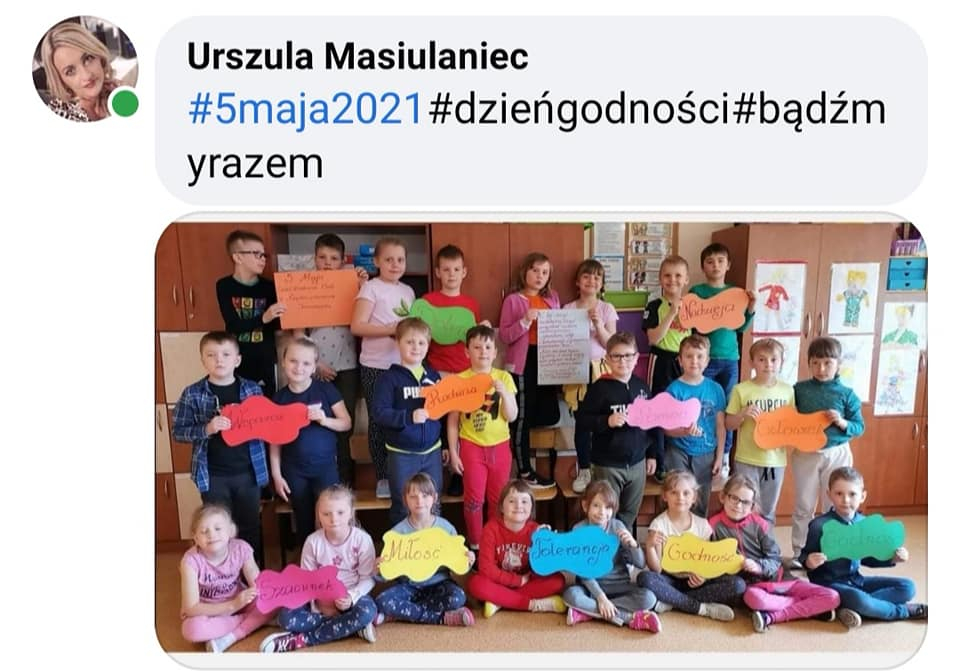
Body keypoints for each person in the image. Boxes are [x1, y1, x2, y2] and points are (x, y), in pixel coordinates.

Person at [172, 331, 269, 566]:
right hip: (213, 476)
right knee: (218, 529)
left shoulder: (253, 390)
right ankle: (225, 577)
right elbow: (178, 431)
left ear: (237, 360)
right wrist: (207, 428)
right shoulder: (192, 393)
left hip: (249, 473)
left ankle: (254, 577)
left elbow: (267, 427)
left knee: (250, 526)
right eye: (211, 355)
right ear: (202, 360)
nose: (219, 360)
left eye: (226, 354)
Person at [709, 475, 842, 633]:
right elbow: (713, 563)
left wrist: (759, 566)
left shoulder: (761, 524)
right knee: (755, 600)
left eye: (745, 502)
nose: (738, 505)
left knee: (832, 597)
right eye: (734, 498)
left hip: (780, 579)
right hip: (753, 588)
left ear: (752, 505)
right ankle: (806, 607)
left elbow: (774, 558)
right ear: (723, 497)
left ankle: (772, 616)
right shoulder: (713, 525)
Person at [799, 467, 927, 626]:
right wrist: (809, 562)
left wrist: (893, 558)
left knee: (908, 587)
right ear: (829, 494)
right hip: (829, 585)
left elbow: (867, 557)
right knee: (860, 599)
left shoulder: (864, 523)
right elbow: (804, 556)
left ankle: (853, 607)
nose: (846, 500)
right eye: (839, 494)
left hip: (856, 581)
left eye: (852, 494)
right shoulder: (819, 525)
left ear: (862, 496)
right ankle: (903, 611)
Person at [260, 485, 379, 652]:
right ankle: (351, 627)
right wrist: (319, 604)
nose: (333, 519)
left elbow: (368, 578)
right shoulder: (313, 541)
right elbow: (306, 581)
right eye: (326, 514)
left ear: (351, 512)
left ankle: (303, 640)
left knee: (368, 612)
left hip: (351, 600)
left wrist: (351, 597)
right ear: (319, 515)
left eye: (340, 512)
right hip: (319, 602)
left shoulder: (362, 540)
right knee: (286, 617)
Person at [298, 233, 368, 486]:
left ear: (343, 261)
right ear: (314, 259)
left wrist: (362, 283)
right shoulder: (304, 288)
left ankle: (346, 485)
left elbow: (367, 312)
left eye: (334, 258)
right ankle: (322, 483)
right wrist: (314, 364)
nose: (328, 263)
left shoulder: (352, 284)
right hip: (313, 369)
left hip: (347, 367)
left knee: (344, 426)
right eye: (322, 257)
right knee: (315, 425)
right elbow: (298, 334)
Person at [269, 337, 352, 549]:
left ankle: (334, 559)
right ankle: (308, 562)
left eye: (306, 363)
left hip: (325, 468)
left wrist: (324, 420)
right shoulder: (279, 399)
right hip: (294, 470)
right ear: (284, 362)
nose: (299, 367)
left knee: (331, 517)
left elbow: (346, 423)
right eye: (293, 361)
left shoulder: (326, 390)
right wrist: (277, 476)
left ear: (314, 367)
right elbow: (274, 441)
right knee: (303, 518)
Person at [789, 336, 865, 567]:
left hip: (837, 452)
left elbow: (859, 426)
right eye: (815, 363)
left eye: (827, 363)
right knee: (804, 504)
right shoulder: (799, 390)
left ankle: (833, 550)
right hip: (806, 453)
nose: (821, 369)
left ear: (838, 364)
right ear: (809, 363)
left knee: (835, 504)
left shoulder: (847, 394)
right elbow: (788, 418)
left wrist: (842, 422)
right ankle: (801, 553)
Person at [351, 237, 416, 500]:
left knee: (403, 420)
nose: (395, 264)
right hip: (376, 366)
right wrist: (391, 330)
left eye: (400, 259)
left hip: (404, 366)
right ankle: (383, 477)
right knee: (379, 422)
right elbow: (357, 326)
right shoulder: (370, 288)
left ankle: (404, 476)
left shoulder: (408, 291)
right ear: (377, 261)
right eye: (389, 259)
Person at [574, 332, 658, 529]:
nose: (623, 361)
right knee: (604, 516)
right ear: (607, 359)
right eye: (617, 356)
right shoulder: (599, 389)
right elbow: (583, 421)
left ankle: (622, 547)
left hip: (637, 464)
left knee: (628, 516)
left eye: (628, 356)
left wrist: (653, 455)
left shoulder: (642, 387)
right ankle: (603, 547)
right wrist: (606, 421)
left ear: (636, 358)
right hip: (607, 465)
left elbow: (653, 423)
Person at [421, 244, 485, 497]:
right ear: (437, 272)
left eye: (456, 269)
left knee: (461, 426)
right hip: (436, 371)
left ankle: (459, 474)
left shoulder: (470, 304)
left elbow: (474, 341)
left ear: (464, 272)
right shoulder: (427, 302)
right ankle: (436, 476)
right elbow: (420, 338)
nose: (451, 274)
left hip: (464, 374)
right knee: (436, 425)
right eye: (446, 269)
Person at [446, 324, 519, 549]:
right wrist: (454, 453)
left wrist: (505, 394)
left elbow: (512, 416)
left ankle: (495, 543)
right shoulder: (459, 380)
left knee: (498, 499)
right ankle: (476, 544)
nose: (483, 352)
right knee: (474, 500)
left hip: (500, 447)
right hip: (472, 447)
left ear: (495, 352)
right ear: (467, 352)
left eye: (488, 347)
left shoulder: (504, 377)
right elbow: (452, 421)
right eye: (477, 347)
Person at [638, 470, 745, 621]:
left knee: (738, 585)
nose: (680, 498)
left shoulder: (702, 525)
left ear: (694, 497)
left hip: (696, 583)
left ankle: (672, 601)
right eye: (674, 492)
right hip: (670, 581)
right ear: (665, 496)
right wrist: (649, 547)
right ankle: (701, 608)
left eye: (686, 493)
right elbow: (657, 569)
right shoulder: (659, 525)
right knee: (645, 578)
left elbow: (708, 563)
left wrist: (703, 577)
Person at [689, 243, 756, 476]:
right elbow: (691, 323)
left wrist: (751, 307)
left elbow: (742, 327)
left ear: (728, 265)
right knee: (702, 405)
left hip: (729, 359)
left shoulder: (736, 293)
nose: (715, 266)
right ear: (702, 267)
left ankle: (725, 455)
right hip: (703, 360)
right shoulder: (697, 291)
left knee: (729, 408)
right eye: (710, 262)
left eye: (720, 261)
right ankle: (702, 450)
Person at [374, 473, 476, 626]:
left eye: (425, 496)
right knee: (382, 601)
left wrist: (467, 561)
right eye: (413, 496)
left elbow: (457, 566)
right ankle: (441, 618)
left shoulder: (445, 528)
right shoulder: (397, 533)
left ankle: (402, 613)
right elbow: (387, 573)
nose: (419, 501)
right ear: (405, 500)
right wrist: (379, 570)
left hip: (439, 584)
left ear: (434, 498)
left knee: (458, 597)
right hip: (409, 586)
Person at [370, 317, 444, 525]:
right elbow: (379, 413)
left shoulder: (434, 376)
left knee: (434, 503)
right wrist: (408, 417)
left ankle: (434, 545)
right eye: (409, 342)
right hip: (402, 454)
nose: (416, 347)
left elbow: (444, 412)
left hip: (432, 452)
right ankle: (402, 545)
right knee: (403, 505)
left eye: (421, 342)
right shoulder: (388, 379)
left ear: (428, 345)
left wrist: (446, 446)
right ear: (398, 342)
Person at [563, 480, 661, 632]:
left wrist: (633, 545)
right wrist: (601, 598)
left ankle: (588, 614)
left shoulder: (617, 526)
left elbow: (641, 564)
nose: (602, 512)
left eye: (607, 507)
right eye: (596, 505)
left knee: (649, 598)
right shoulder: (579, 530)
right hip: (592, 588)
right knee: (571, 595)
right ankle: (629, 618)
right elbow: (584, 573)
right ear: (585, 506)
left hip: (620, 585)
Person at [499, 252, 561, 488]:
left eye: (545, 272)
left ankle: (523, 459)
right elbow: (505, 335)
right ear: (524, 272)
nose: (539, 276)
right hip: (523, 362)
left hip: (547, 362)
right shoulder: (513, 300)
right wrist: (525, 321)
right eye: (535, 270)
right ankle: (524, 469)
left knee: (549, 414)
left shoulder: (553, 298)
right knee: (522, 418)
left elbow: (563, 328)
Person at [179, 503, 274, 653]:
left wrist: (266, 594)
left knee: (273, 602)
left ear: (231, 531)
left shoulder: (241, 548)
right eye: (204, 531)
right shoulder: (190, 561)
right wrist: (233, 605)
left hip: (241, 602)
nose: (211, 535)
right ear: (195, 538)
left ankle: (230, 637)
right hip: (209, 611)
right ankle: (252, 621)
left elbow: (258, 585)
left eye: (218, 529)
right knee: (191, 630)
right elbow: (191, 608)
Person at [466, 479, 567, 617]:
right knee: (475, 584)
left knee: (558, 581)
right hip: (499, 581)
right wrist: (517, 581)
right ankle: (534, 605)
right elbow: (486, 568)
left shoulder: (536, 531)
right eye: (512, 501)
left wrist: (546, 545)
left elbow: (540, 570)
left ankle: (499, 602)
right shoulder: (491, 529)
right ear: (502, 507)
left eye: (524, 501)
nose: (518, 505)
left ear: (531, 508)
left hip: (526, 581)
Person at [563, 259, 619, 493]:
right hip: (576, 370)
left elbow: (612, 345)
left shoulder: (607, 309)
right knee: (583, 422)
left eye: (597, 277)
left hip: (601, 370)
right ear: (578, 281)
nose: (591, 281)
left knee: (604, 420)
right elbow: (561, 342)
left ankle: (603, 468)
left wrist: (598, 324)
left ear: (602, 283)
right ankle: (584, 468)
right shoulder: (568, 309)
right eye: (586, 276)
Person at [725, 338, 795, 524]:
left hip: (775, 460)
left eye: (773, 359)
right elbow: (729, 424)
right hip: (747, 459)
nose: (768, 364)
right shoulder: (741, 390)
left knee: (768, 510)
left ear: (781, 362)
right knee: (744, 508)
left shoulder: (788, 391)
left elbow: (792, 425)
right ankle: (744, 541)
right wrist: (742, 414)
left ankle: (766, 541)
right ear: (751, 362)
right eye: (762, 359)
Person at [216, 230, 285, 400]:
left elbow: (277, 326)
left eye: (264, 255)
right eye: (256, 254)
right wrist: (263, 318)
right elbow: (233, 325)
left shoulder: (269, 287)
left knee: (266, 406)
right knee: (237, 406)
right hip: (237, 360)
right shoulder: (224, 286)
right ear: (237, 257)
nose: (262, 259)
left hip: (265, 360)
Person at [663, 334, 727, 517]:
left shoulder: (716, 389)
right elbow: (666, 429)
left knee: (700, 501)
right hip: (678, 452)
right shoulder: (673, 390)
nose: (694, 361)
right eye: (689, 356)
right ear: (680, 360)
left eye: (700, 356)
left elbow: (720, 425)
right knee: (677, 497)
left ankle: (697, 534)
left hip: (706, 454)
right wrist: (683, 431)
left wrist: (719, 457)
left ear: (707, 361)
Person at [643, 255, 692, 480]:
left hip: (686, 362)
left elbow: (698, 338)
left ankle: (682, 461)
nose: (673, 280)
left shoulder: (693, 306)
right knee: (659, 408)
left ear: (686, 279)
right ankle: (658, 461)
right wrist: (672, 313)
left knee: (684, 408)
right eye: (667, 275)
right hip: (661, 360)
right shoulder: (654, 305)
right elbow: (653, 338)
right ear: (660, 278)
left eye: (678, 275)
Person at [39, 21, 121, 121]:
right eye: (70, 71)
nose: (86, 75)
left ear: (99, 56)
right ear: (61, 80)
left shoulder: (117, 92)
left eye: (88, 58)